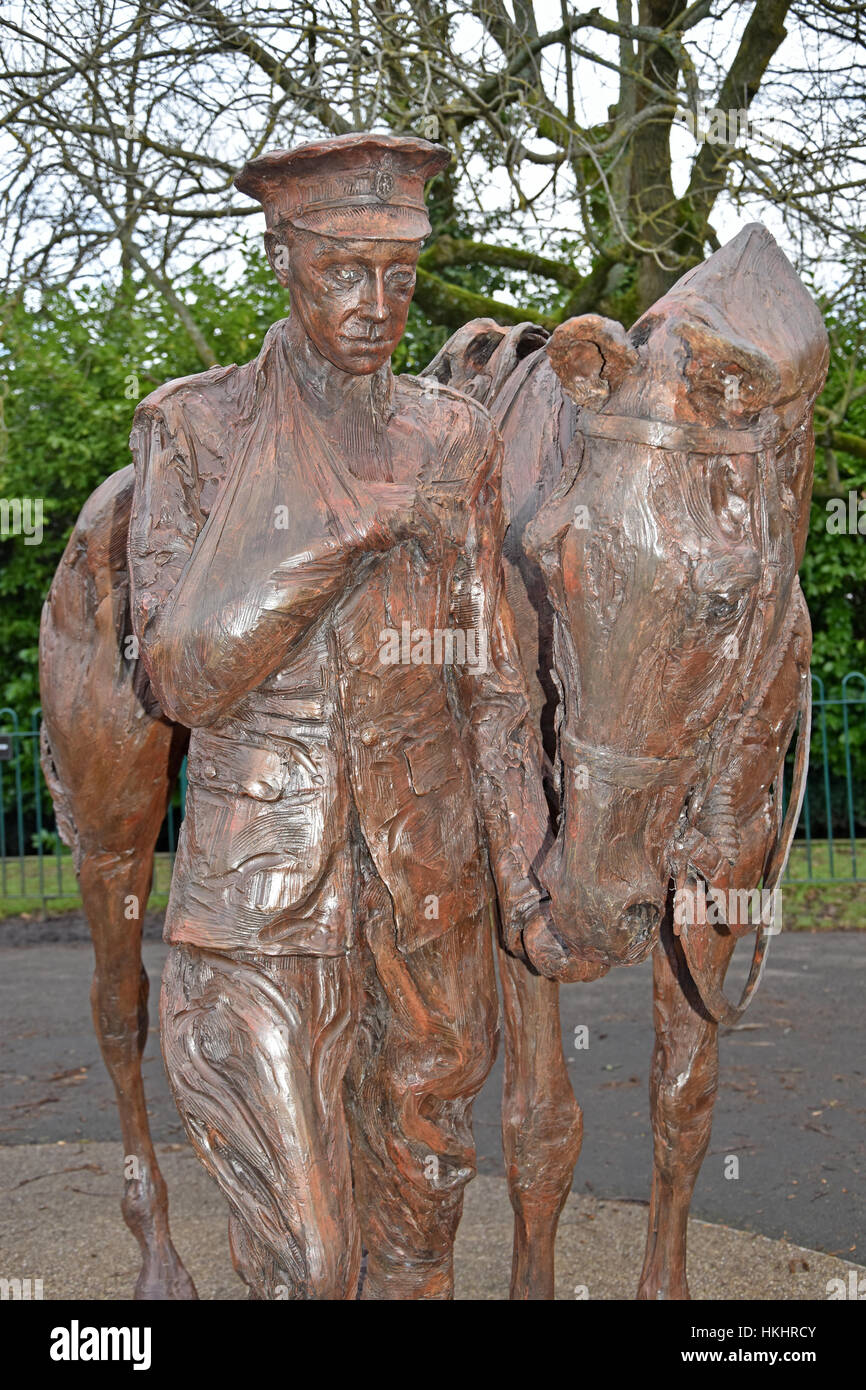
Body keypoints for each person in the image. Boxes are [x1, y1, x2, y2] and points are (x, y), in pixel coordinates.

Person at [128, 132, 552, 1300]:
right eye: (343, 275)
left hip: (424, 885)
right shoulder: (197, 430)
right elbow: (178, 673)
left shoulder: (451, 435)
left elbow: (493, 674)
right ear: (282, 259)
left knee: (422, 1216)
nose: (377, 307)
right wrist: (344, 538)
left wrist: (523, 868)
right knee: (306, 1262)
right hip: (262, 892)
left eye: (400, 279)